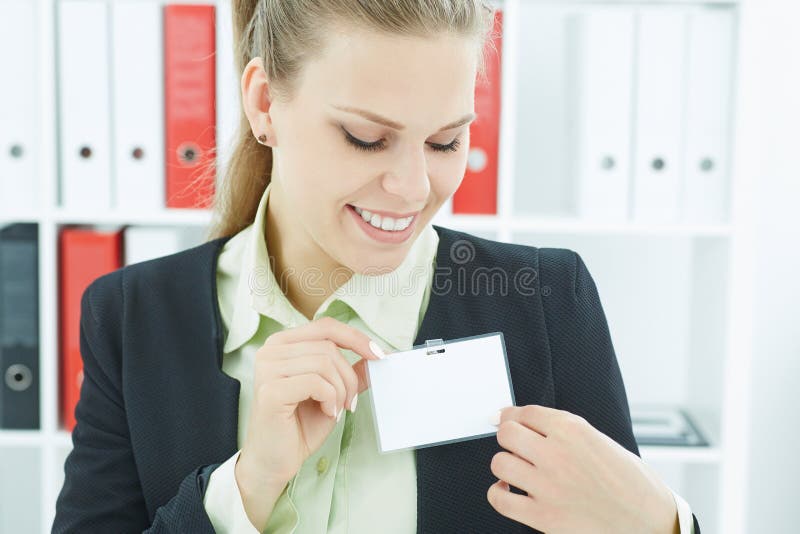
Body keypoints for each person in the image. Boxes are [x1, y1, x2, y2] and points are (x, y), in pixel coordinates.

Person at [52, 1, 702, 533]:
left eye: (446, 140)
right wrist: (246, 486)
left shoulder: (547, 303)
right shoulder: (131, 317)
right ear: (264, 104)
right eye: (367, 138)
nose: (414, 186)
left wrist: (663, 523)